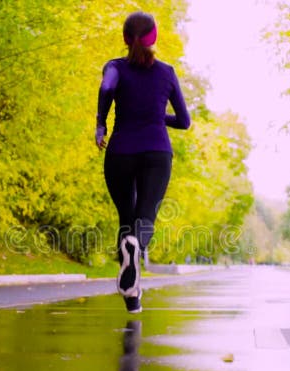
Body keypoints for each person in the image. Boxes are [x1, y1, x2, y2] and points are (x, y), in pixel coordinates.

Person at [96, 11, 190, 313]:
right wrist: (155, 115)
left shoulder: (114, 68)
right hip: (156, 153)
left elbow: (106, 90)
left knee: (126, 217)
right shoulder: (167, 72)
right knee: (144, 216)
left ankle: (132, 297)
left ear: (125, 39)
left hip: (120, 151)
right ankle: (135, 254)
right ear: (154, 38)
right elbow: (185, 121)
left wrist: (101, 125)